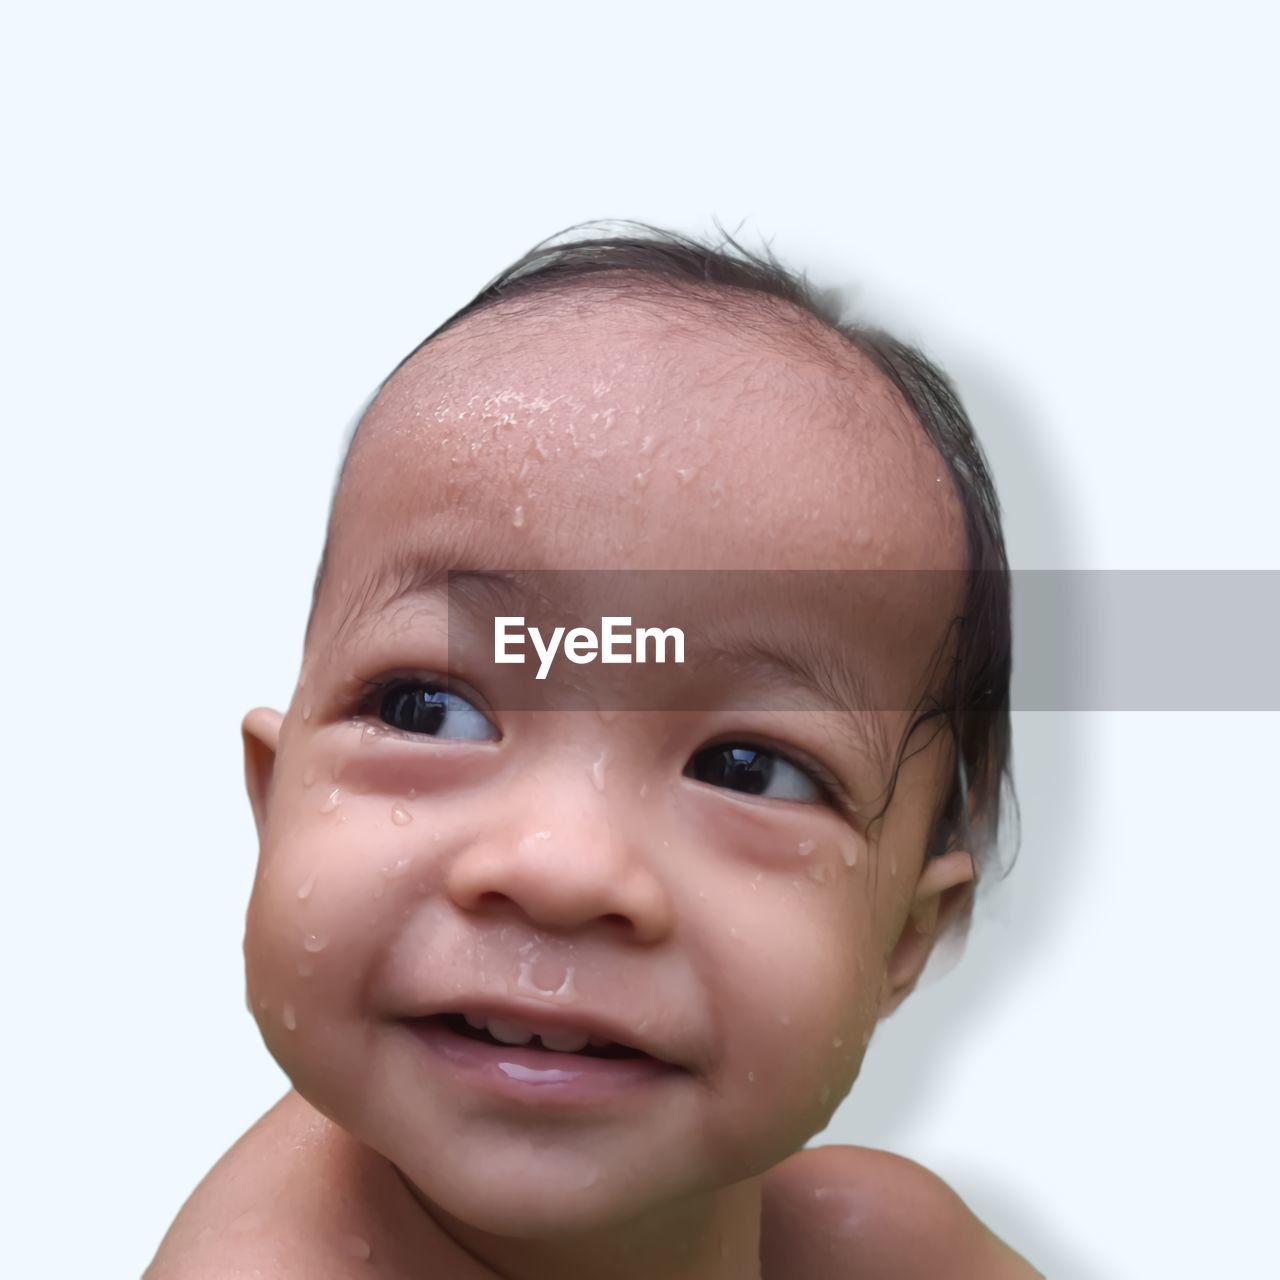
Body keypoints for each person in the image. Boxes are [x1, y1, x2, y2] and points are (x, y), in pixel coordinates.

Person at [145, 220, 1041, 1278]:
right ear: (274, 799)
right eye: (429, 707)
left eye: (746, 767)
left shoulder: (882, 1245)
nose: (559, 865)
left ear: (902, 935)